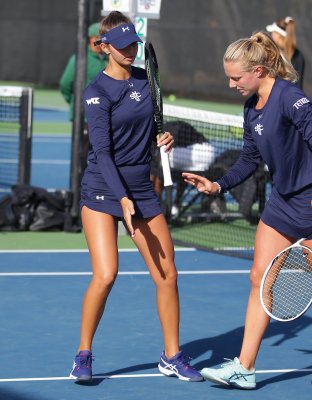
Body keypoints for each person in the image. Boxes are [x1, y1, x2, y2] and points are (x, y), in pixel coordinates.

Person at [182, 31, 312, 394]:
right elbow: (249, 159)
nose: (231, 84)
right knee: (259, 278)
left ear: (258, 70)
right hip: (282, 203)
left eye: (236, 77)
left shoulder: (291, 98)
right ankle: (244, 367)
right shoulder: (251, 106)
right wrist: (218, 185)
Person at [69, 11, 203, 383]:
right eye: (123, 44)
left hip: (142, 189)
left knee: (167, 276)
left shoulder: (147, 81)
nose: (130, 50)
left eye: (134, 44)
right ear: (105, 47)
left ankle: (172, 355)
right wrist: (122, 199)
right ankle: (83, 353)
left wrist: (164, 139)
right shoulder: (96, 93)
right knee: (107, 274)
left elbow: (150, 129)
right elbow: (103, 152)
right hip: (102, 190)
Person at [59, 22, 108, 172]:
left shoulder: (109, 60)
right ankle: (80, 190)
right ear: (91, 39)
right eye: (100, 38)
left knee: (103, 156)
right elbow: (65, 84)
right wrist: (76, 103)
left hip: (104, 117)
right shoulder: (78, 59)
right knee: (82, 157)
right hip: (84, 118)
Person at [266, 16, 305, 89]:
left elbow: (297, 85)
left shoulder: (297, 56)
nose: (272, 35)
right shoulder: (298, 55)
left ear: (278, 34)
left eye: (273, 32)